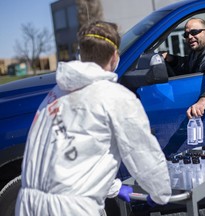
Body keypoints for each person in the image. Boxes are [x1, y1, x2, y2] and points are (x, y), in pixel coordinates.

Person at [15, 20, 171, 216]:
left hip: (29, 205)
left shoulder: (57, 93)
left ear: (82, 54)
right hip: (72, 209)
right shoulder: (116, 98)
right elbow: (142, 151)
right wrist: (160, 193)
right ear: (115, 56)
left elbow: (72, 153)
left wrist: (113, 188)